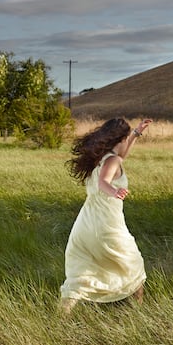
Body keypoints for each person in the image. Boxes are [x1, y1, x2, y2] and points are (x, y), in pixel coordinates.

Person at [60, 117, 152, 315]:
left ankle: (63, 313)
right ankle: (140, 312)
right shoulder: (112, 160)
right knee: (133, 263)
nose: (126, 142)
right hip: (107, 225)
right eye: (126, 138)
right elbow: (103, 182)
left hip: (85, 223)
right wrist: (113, 191)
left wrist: (136, 133)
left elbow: (121, 157)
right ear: (119, 139)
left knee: (83, 271)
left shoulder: (101, 158)